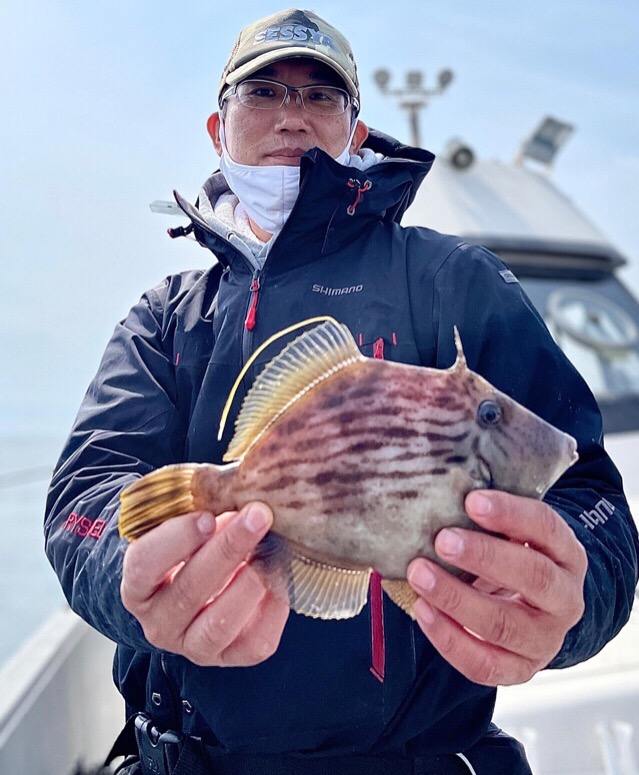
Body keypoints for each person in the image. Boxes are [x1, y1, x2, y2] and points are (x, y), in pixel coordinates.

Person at [45, 8, 639, 775]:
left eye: (321, 96)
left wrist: (570, 590)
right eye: (263, 91)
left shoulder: (452, 279)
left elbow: (588, 492)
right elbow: (83, 498)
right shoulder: (164, 321)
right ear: (217, 127)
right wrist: (131, 568)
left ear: (355, 132)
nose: (292, 113)